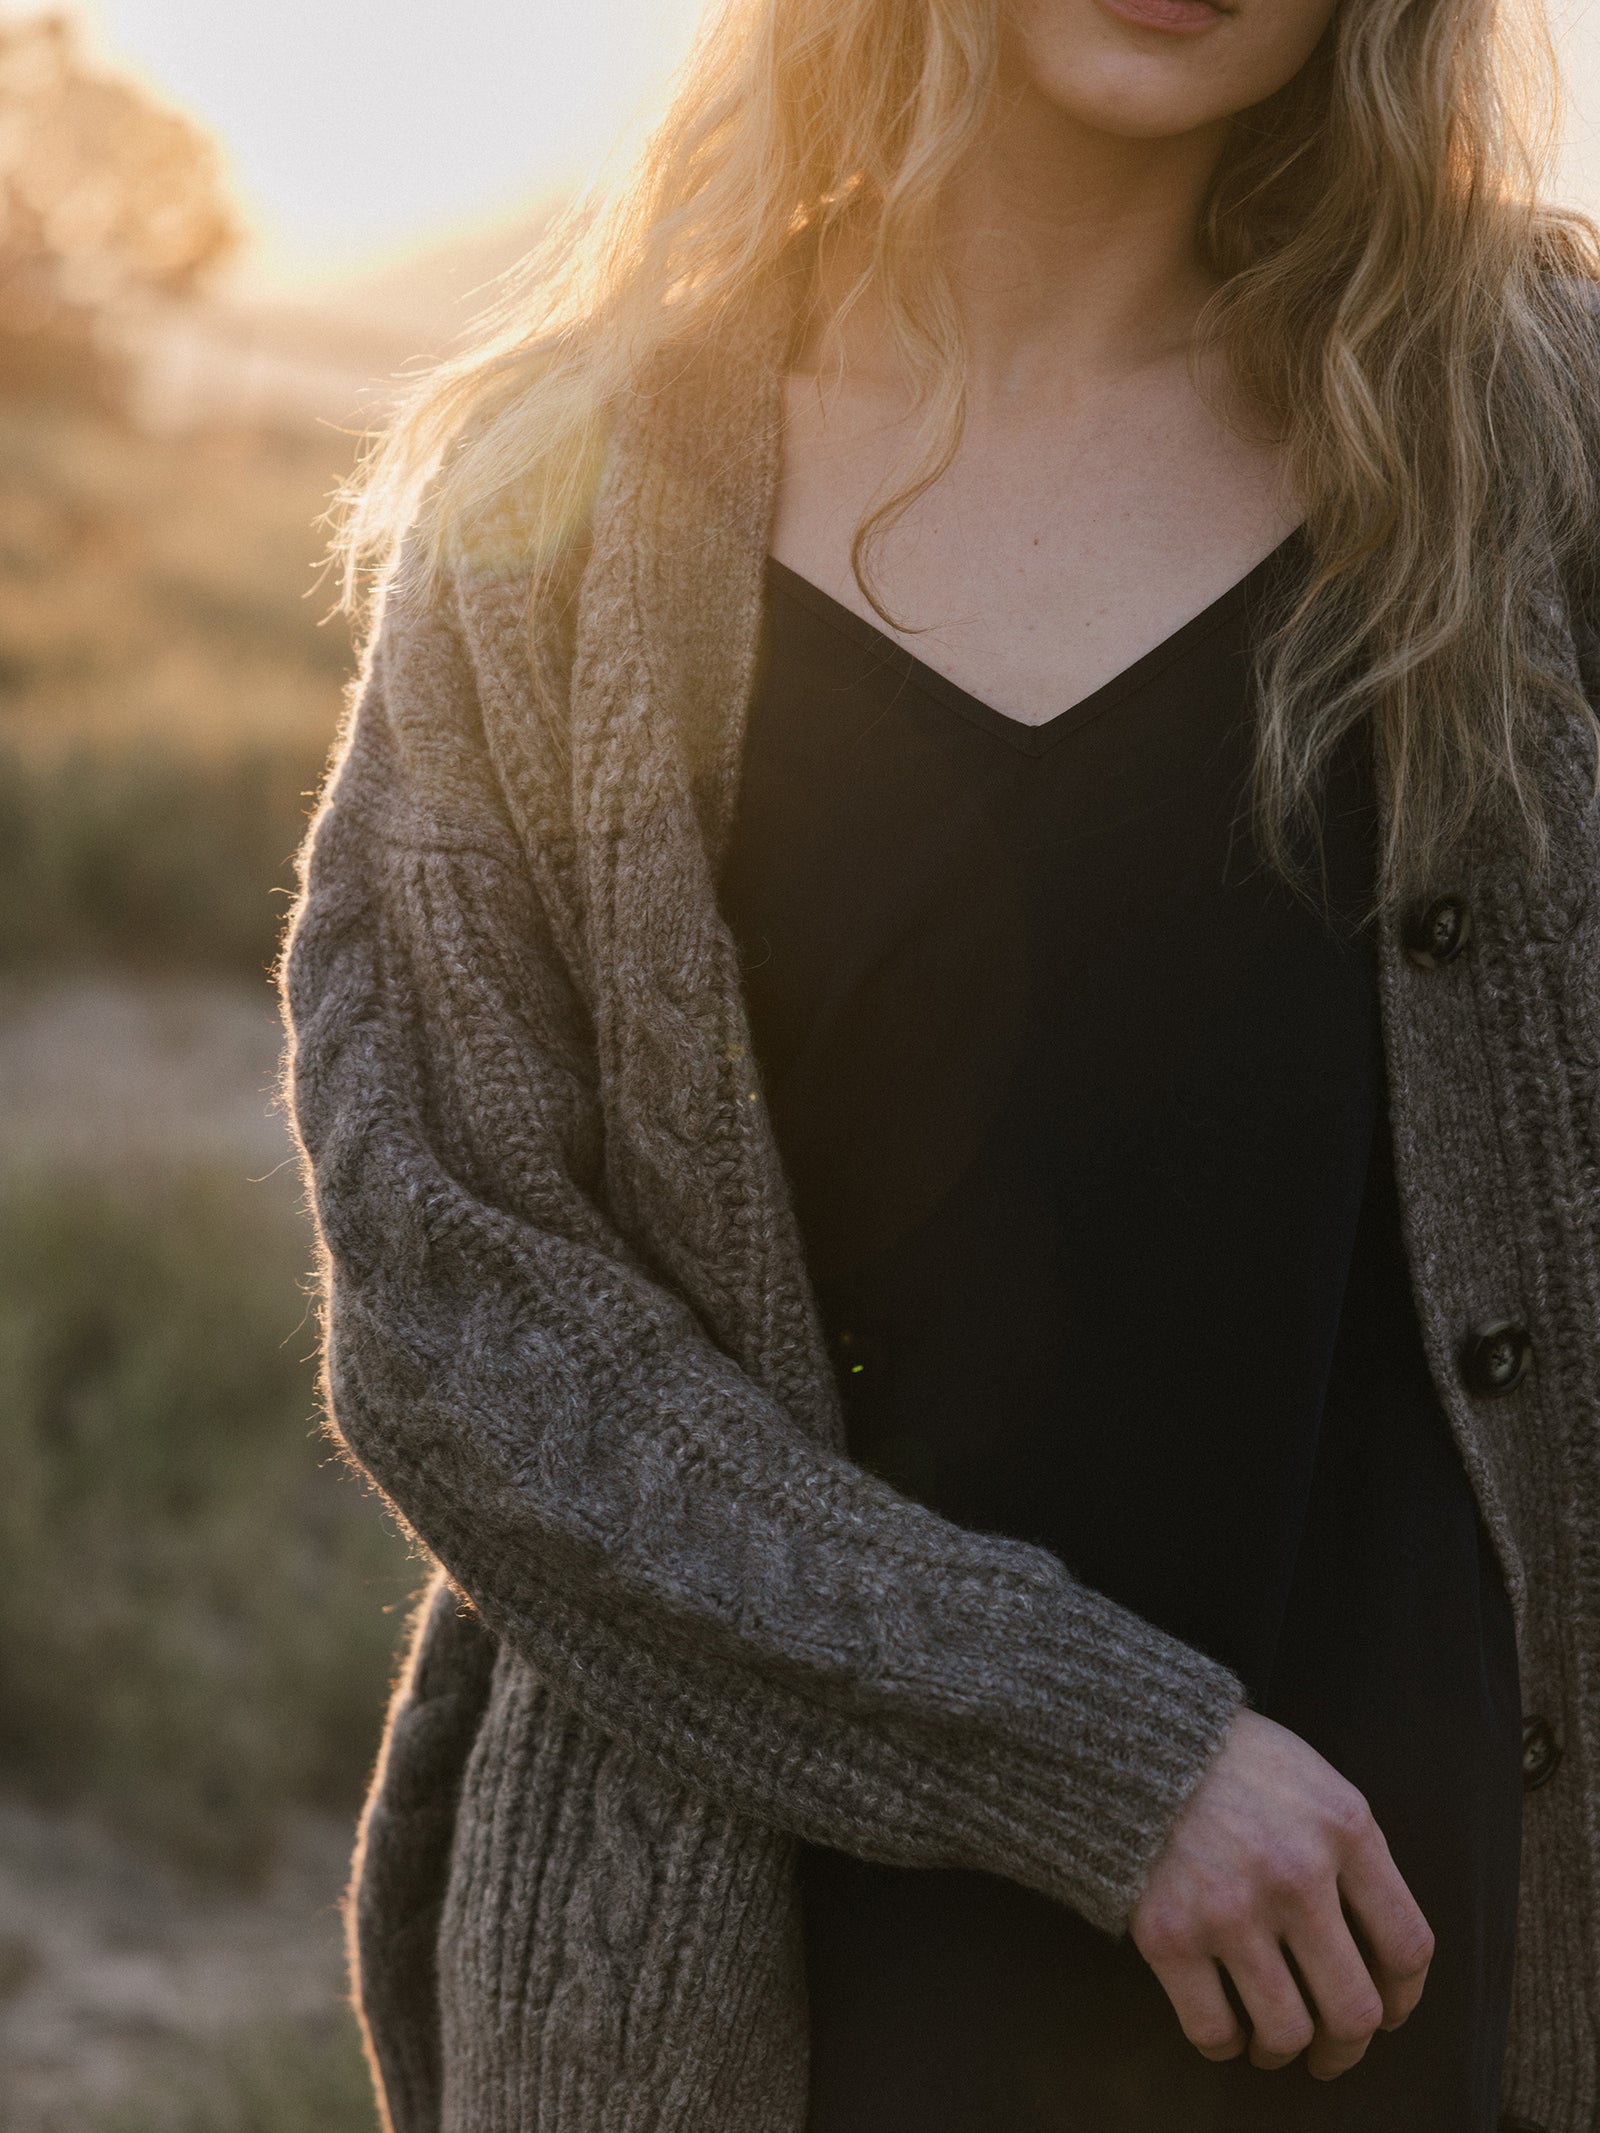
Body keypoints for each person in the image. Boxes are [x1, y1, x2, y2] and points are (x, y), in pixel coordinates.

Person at [278, 0, 1600, 2127]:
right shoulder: (565, 494)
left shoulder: (1530, 431)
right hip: (749, 1944)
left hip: (1399, 1918)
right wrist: (1098, 1750)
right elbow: (452, 1290)